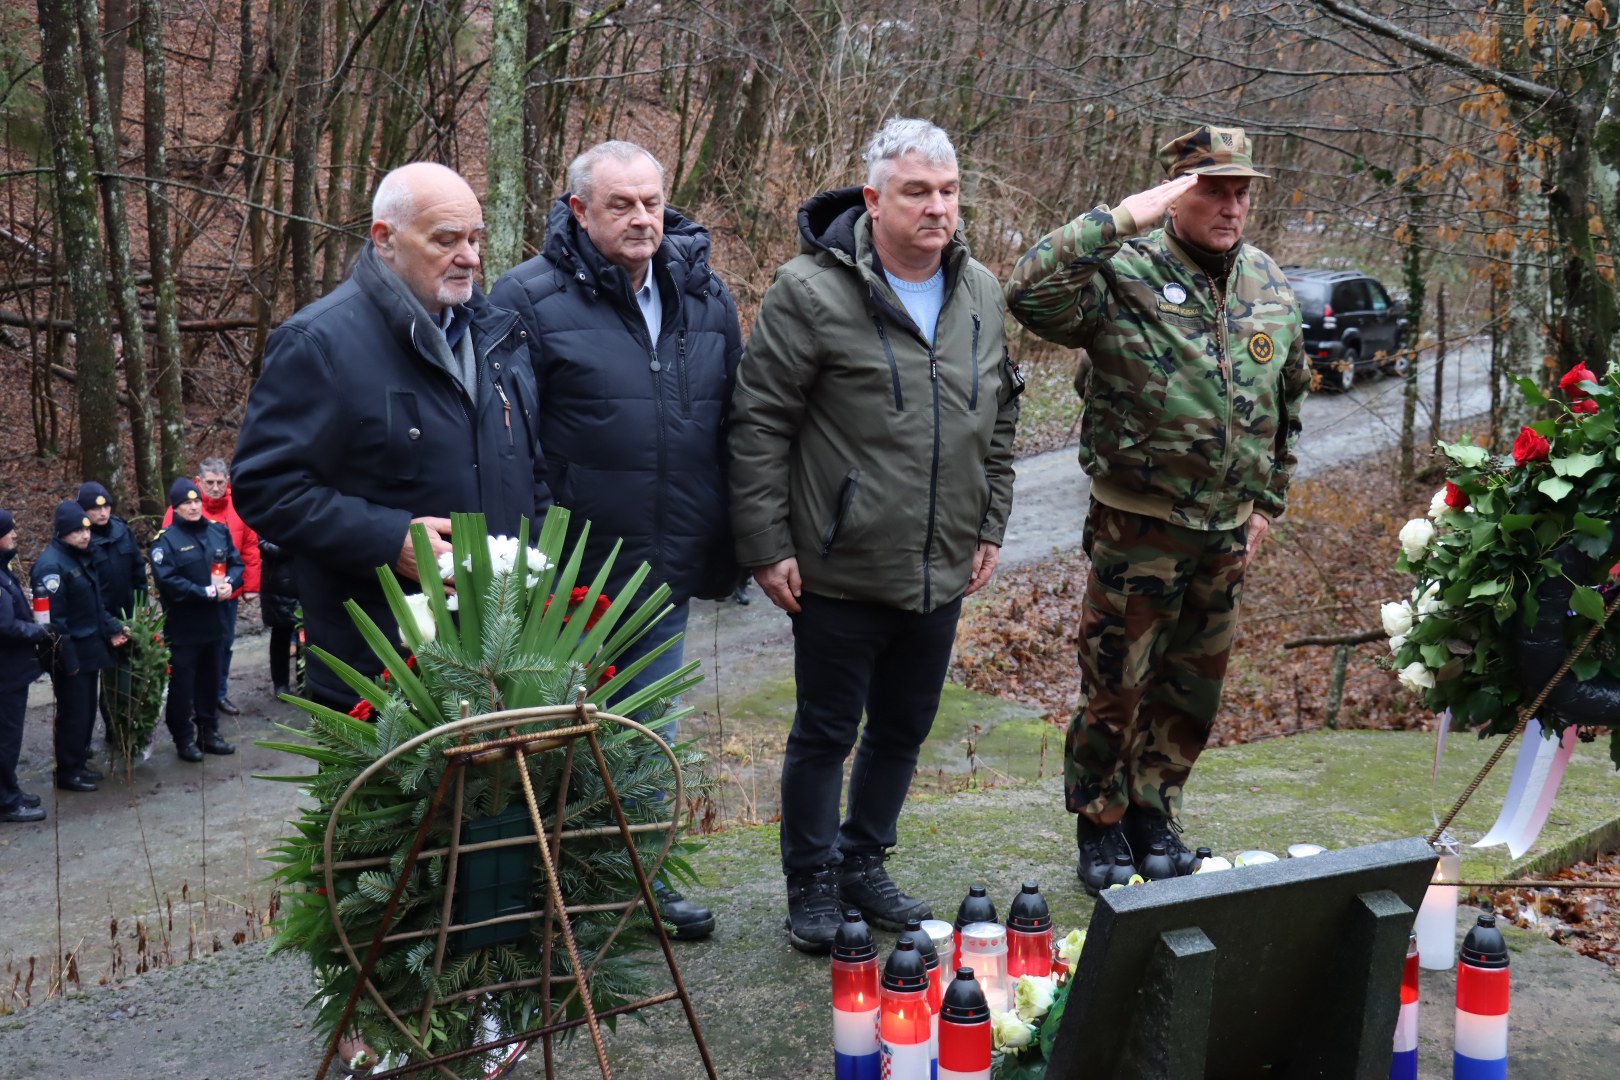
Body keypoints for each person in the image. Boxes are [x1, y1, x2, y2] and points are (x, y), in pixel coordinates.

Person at [729, 118, 1021, 953]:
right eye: (917, 192)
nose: (937, 209)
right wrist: (766, 544)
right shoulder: (809, 291)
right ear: (873, 199)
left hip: (941, 565)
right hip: (838, 566)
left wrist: (989, 524)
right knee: (826, 731)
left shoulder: (980, 292)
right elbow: (759, 424)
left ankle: (864, 861)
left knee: (903, 728)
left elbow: (1001, 420)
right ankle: (812, 880)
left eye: (948, 192)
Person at [1004, 125, 1311, 894]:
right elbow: (1028, 292)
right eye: (1214, 191)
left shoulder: (1268, 283)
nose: (1231, 207)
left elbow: (1291, 398)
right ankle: (1100, 820)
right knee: (1117, 684)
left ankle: (1153, 811)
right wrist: (1120, 219)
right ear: (1175, 196)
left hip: (1225, 531)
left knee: (1190, 690)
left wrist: (1267, 503)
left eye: (1241, 193)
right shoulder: (1124, 271)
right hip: (1138, 526)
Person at [489, 139, 743, 942]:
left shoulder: (705, 295)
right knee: (552, 743)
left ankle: (641, 889)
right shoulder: (524, 298)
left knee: (647, 738)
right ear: (578, 211)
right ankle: (545, 901)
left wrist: (735, 543)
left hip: (665, 568)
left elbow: (736, 427)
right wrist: (534, 552)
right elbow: (509, 441)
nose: (641, 219)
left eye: (652, 203)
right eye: (620, 205)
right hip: (567, 575)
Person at [232, 161, 551, 712]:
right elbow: (267, 487)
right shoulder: (318, 342)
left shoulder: (498, 338)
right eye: (447, 240)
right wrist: (388, 540)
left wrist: (548, 598)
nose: (471, 257)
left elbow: (532, 477)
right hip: (386, 673)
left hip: (507, 663)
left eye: (474, 239)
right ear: (385, 240)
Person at [31, 501, 129, 791]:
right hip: (71, 654)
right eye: (77, 531)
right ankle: (67, 771)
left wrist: (113, 628)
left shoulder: (78, 557)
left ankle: (78, 762)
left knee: (85, 711)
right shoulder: (52, 567)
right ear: (63, 532)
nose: (85, 535)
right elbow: (55, 623)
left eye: (86, 529)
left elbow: (94, 606)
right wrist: (68, 661)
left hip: (89, 649)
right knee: (73, 714)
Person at [150, 479, 243, 761]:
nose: (193, 507)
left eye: (196, 502)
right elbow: (168, 582)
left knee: (210, 682)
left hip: (215, 623)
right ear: (175, 508)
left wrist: (229, 582)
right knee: (183, 687)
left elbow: (236, 563)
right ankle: (183, 738)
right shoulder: (166, 541)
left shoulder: (217, 531)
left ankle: (209, 732)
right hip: (184, 627)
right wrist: (205, 592)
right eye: (186, 503)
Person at [162, 459, 258, 716]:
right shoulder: (181, 508)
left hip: (226, 594)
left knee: (223, 645)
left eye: (220, 483)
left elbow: (248, 547)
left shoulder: (237, 507)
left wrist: (250, 584)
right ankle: (193, 697)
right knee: (192, 650)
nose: (215, 488)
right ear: (199, 481)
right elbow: (168, 551)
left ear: (227, 481)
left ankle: (218, 693)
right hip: (193, 598)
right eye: (210, 483)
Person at [77, 481, 147, 743]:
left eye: (106, 506)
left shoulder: (121, 530)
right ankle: (107, 731)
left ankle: (122, 728)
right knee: (101, 683)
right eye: (95, 509)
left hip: (128, 617)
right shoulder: (81, 539)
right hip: (98, 621)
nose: (102, 513)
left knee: (125, 678)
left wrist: (141, 609)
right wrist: (108, 625)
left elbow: (137, 570)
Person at [0, 509, 52, 822]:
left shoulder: (3, 571)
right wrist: (39, 631)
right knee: (6, 739)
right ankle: (6, 802)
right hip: (6, 675)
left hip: (11, 672)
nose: (15, 534)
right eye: (9, 530)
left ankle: (10, 790)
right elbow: (6, 626)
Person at [257, 537, 300, 699]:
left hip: (306, 581)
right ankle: (281, 683)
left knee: (308, 635)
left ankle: (304, 679)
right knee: (281, 634)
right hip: (279, 584)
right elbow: (263, 544)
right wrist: (293, 545)